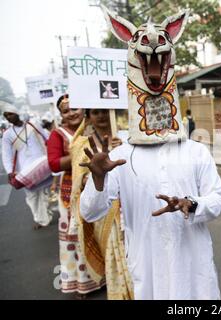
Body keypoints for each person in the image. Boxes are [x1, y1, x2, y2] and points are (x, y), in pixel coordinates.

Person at [79, 7, 221, 300]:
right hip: (149, 275)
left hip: (196, 276)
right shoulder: (120, 155)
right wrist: (97, 180)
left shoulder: (196, 151)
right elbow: (90, 212)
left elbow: (218, 200)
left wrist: (192, 204)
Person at [70, 108, 133, 300]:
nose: (102, 116)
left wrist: (122, 149)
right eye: (96, 113)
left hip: (130, 206)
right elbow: (77, 181)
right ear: (88, 118)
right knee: (116, 258)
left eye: (105, 111)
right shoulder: (82, 144)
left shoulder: (127, 136)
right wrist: (97, 174)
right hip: (104, 210)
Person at [46, 94, 103, 298]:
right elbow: (53, 164)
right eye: (66, 111)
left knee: (102, 232)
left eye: (75, 108)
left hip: (98, 185)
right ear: (61, 115)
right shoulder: (58, 134)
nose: (71, 113)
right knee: (77, 236)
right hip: (72, 191)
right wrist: (80, 154)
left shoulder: (94, 126)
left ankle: (105, 276)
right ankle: (83, 284)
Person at [1, 100, 52, 229]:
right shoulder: (7, 135)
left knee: (45, 192)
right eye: (6, 116)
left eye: (10, 114)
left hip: (42, 164)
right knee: (32, 196)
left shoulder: (33, 125)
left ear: (16, 113)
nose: (9, 117)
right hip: (24, 169)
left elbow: (47, 138)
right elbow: (6, 154)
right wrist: (9, 171)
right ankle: (40, 219)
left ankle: (44, 215)